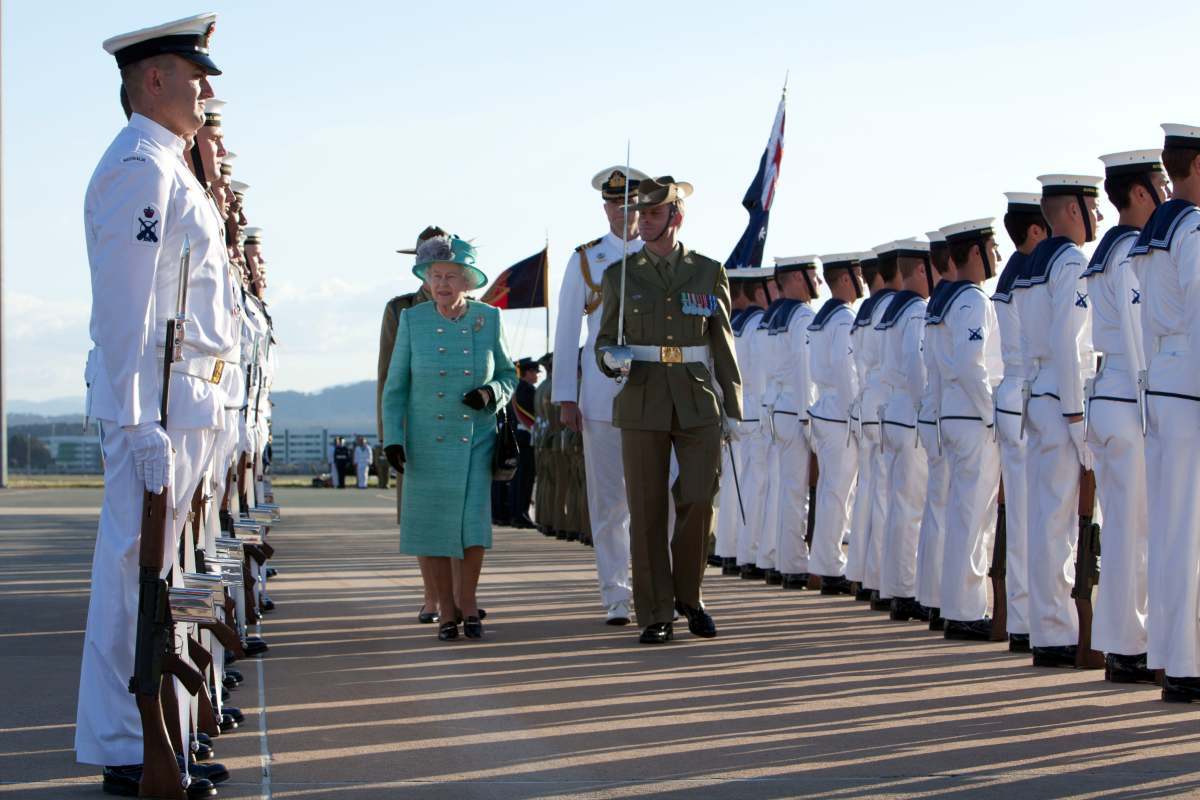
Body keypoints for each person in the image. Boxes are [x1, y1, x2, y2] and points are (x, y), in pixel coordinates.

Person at [75, 13, 233, 798]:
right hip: (158, 401)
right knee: (130, 580)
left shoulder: (169, 166)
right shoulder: (140, 168)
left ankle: (159, 737)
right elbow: (124, 309)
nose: (206, 90)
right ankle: (124, 746)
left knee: (156, 585)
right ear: (154, 79)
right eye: (195, 76)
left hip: (187, 397)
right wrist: (137, 419)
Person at [595, 176, 742, 644]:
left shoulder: (707, 271)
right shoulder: (620, 275)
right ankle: (656, 612)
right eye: (640, 213)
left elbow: (723, 343)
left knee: (699, 499)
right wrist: (610, 359)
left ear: (676, 217)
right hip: (642, 396)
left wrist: (734, 407)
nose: (641, 221)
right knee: (647, 509)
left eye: (654, 213)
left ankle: (690, 596)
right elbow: (604, 339)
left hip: (697, 397)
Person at [382, 234, 517, 641]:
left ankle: (469, 603)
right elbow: (395, 387)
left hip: (475, 438)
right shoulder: (412, 320)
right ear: (426, 280)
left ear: (467, 281)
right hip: (425, 440)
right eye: (435, 276)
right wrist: (393, 439)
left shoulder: (488, 318)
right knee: (432, 525)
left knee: (472, 524)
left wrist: (490, 393)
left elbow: (508, 375)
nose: (442, 284)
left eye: (451, 276)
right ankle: (444, 609)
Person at [552, 165, 647, 623]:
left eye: (629, 203)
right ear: (604, 208)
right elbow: (567, 328)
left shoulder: (660, 255)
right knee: (610, 502)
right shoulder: (587, 260)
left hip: (654, 392)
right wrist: (566, 396)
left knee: (659, 498)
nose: (622, 211)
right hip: (602, 394)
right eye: (613, 203)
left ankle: (655, 586)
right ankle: (616, 593)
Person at [1084, 149, 1166, 684]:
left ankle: (1120, 642)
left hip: (1107, 396)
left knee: (1121, 528)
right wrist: (1151, 403)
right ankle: (1128, 645)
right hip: (1129, 400)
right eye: (1160, 185)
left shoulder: (1107, 250)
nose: (1167, 193)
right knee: (1135, 531)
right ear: (1140, 192)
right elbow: (1139, 337)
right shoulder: (1132, 250)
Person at [1018, 174, 1102, 668]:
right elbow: (1070, 343)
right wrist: (1077, 417)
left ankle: (1047, 628)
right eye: (1092, 206)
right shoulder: (1069, 261)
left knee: (1045, 521)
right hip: (1061, 399)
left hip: (1040, 394)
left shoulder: (1034, 263)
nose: (1098, 216)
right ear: (1073, 210)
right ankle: (1055, 633)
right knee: (1058, 524)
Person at [1129, 123, 1200, 702]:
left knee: (1172, 532)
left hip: (1163, 382)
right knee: (1188, 534)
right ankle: (1187, 664)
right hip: (1189, 386)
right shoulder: (1193, 226)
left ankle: (1175, 660)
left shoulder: (1157, 229)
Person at [931, 218, 1002, 642]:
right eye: (992, 248)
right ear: (975, 252)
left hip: (952, 416)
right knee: (973, 520)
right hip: (974, 418)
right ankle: (966, 610)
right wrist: (993, 415)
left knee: (961, 517)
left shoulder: (943, 301)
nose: (997, 256)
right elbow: (971, 365)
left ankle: (955, 605)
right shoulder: (972, 299)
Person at [989, 193, 1048, 652]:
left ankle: (1022, 617)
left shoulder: (1010, 272)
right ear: (1036, 230)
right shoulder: (1033, 270)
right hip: (1028, 391)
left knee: (1024, 517)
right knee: (1034, 519)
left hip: (1011, 393)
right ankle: (1029, 621)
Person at [875, 240, 933, 621]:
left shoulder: (891, 309)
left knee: (897, 506)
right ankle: (904, 589)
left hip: (892, 411)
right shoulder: (914, 311)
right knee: (910, 508)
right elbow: (916, 367)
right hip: (910, 414)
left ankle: (895, 587)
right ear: (921, 270)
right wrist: (926, 406)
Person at [806, 253, 863, 595]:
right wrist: (856, 413)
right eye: (857, 274)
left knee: (833, 492)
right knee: (837, 494)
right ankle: (828, 566)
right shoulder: (843, 318)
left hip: (827, 410)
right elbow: (846, 371)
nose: (862, 280)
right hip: (840, 413)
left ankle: (824, 563)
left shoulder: (825, 316)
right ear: (844, 279)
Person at [762, 256, 821, 589]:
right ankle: (794, 563)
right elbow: (803, 372)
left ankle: (781, 559)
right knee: (795, 492)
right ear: (797, 278)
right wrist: (807, 418)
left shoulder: (772, 316)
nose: (818, 282)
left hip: (775, 408)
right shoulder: (802, 316)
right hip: (794, 410)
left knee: (781, 489)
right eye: (813, 275)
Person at [845, 249, 898, 608]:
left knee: (868, 494)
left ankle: (865, 574)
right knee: (882, 497)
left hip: (866, 402)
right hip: (883, 402)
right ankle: (878, 578)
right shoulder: (890, 305)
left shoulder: (866, 308)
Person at [915, 233, 957, 630]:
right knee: (955, 513)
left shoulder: (933, 305)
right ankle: (954, 604)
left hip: (932, 412)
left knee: (930, 509)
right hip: (953, 412)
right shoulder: (962, 301)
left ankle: (930, 596)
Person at [714, 273, 767, 575]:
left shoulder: (733, 325)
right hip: (755, 408)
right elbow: (760, 373)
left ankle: (729, 550)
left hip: (733, 409)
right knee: (755, 484)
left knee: (733, 485)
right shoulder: (757, 323)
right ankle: (749, 552)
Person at [509, 358, 540, 528]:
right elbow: (534, 414)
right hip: (526, 436)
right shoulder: (527, 390)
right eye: (535, 372)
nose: (536, 375)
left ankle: (517, 513)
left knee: (519, 478)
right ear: (527, 373)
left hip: (519, 436)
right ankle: (521, 514)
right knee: (525, 478)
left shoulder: (517, 388)